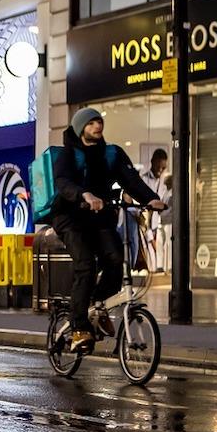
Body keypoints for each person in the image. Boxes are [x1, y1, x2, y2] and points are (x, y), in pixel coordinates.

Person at [52, 108, 166, 353]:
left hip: (99, 217)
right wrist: (83, 194)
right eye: (91, 123)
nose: (97, 126)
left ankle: (96, 303)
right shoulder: (68, 154)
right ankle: (79, 327)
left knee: (117, 261)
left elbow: (130, 179)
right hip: (70, 217)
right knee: (86, 265)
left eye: (99, 122)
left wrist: (151, 199)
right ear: (81, 128)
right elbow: (62, 182)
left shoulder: (110, 153)